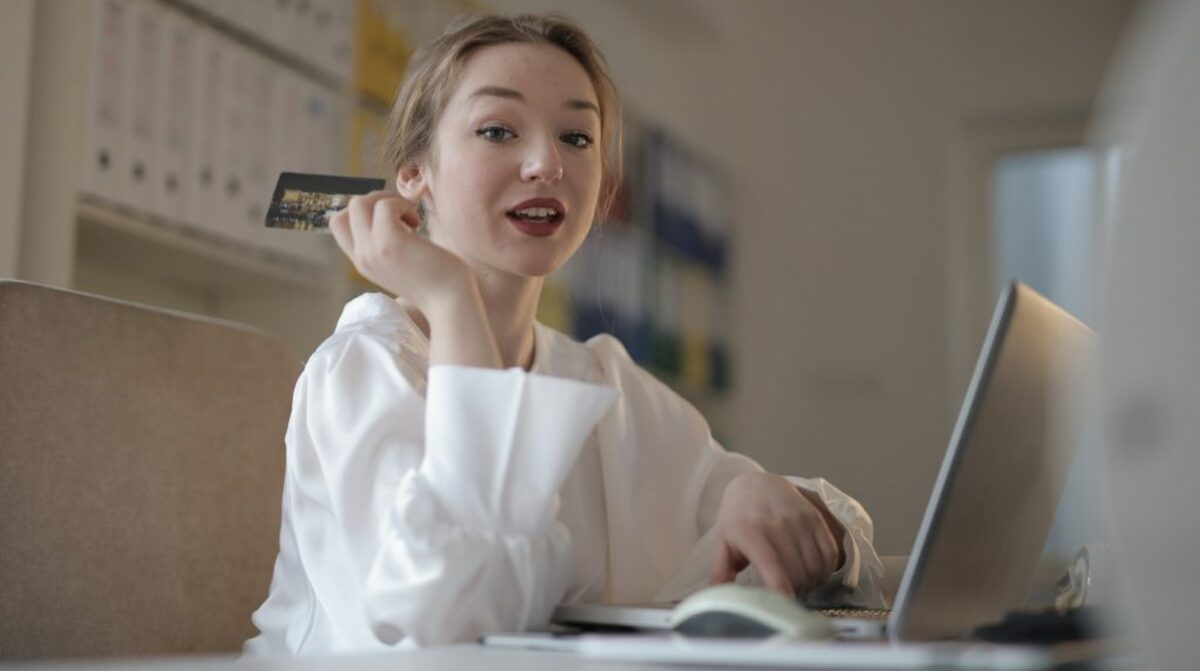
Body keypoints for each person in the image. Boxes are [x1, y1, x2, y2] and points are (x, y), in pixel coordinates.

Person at [244, 12, 885, 655]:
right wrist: (450, 299)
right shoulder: (363, 365)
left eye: (577, 137)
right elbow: (449, 626)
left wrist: (771, 496)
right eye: (497, 130)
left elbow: (835, 543)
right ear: (414, 173)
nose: (547, 163)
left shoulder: (602, 379)